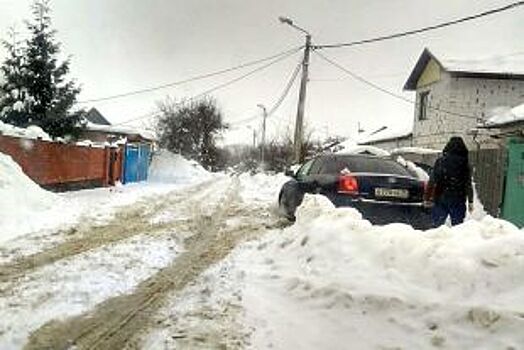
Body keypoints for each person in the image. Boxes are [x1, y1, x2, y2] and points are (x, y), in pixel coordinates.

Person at [424, 136, 474, 227]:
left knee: (436, 226)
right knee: (458, 227)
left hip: (441, 197)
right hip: (458, 198)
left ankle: (435, 239)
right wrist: (470, 201)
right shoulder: (465, 164)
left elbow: (432, 180)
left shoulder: (440, 161)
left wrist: (427, 197)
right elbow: (468, 184)